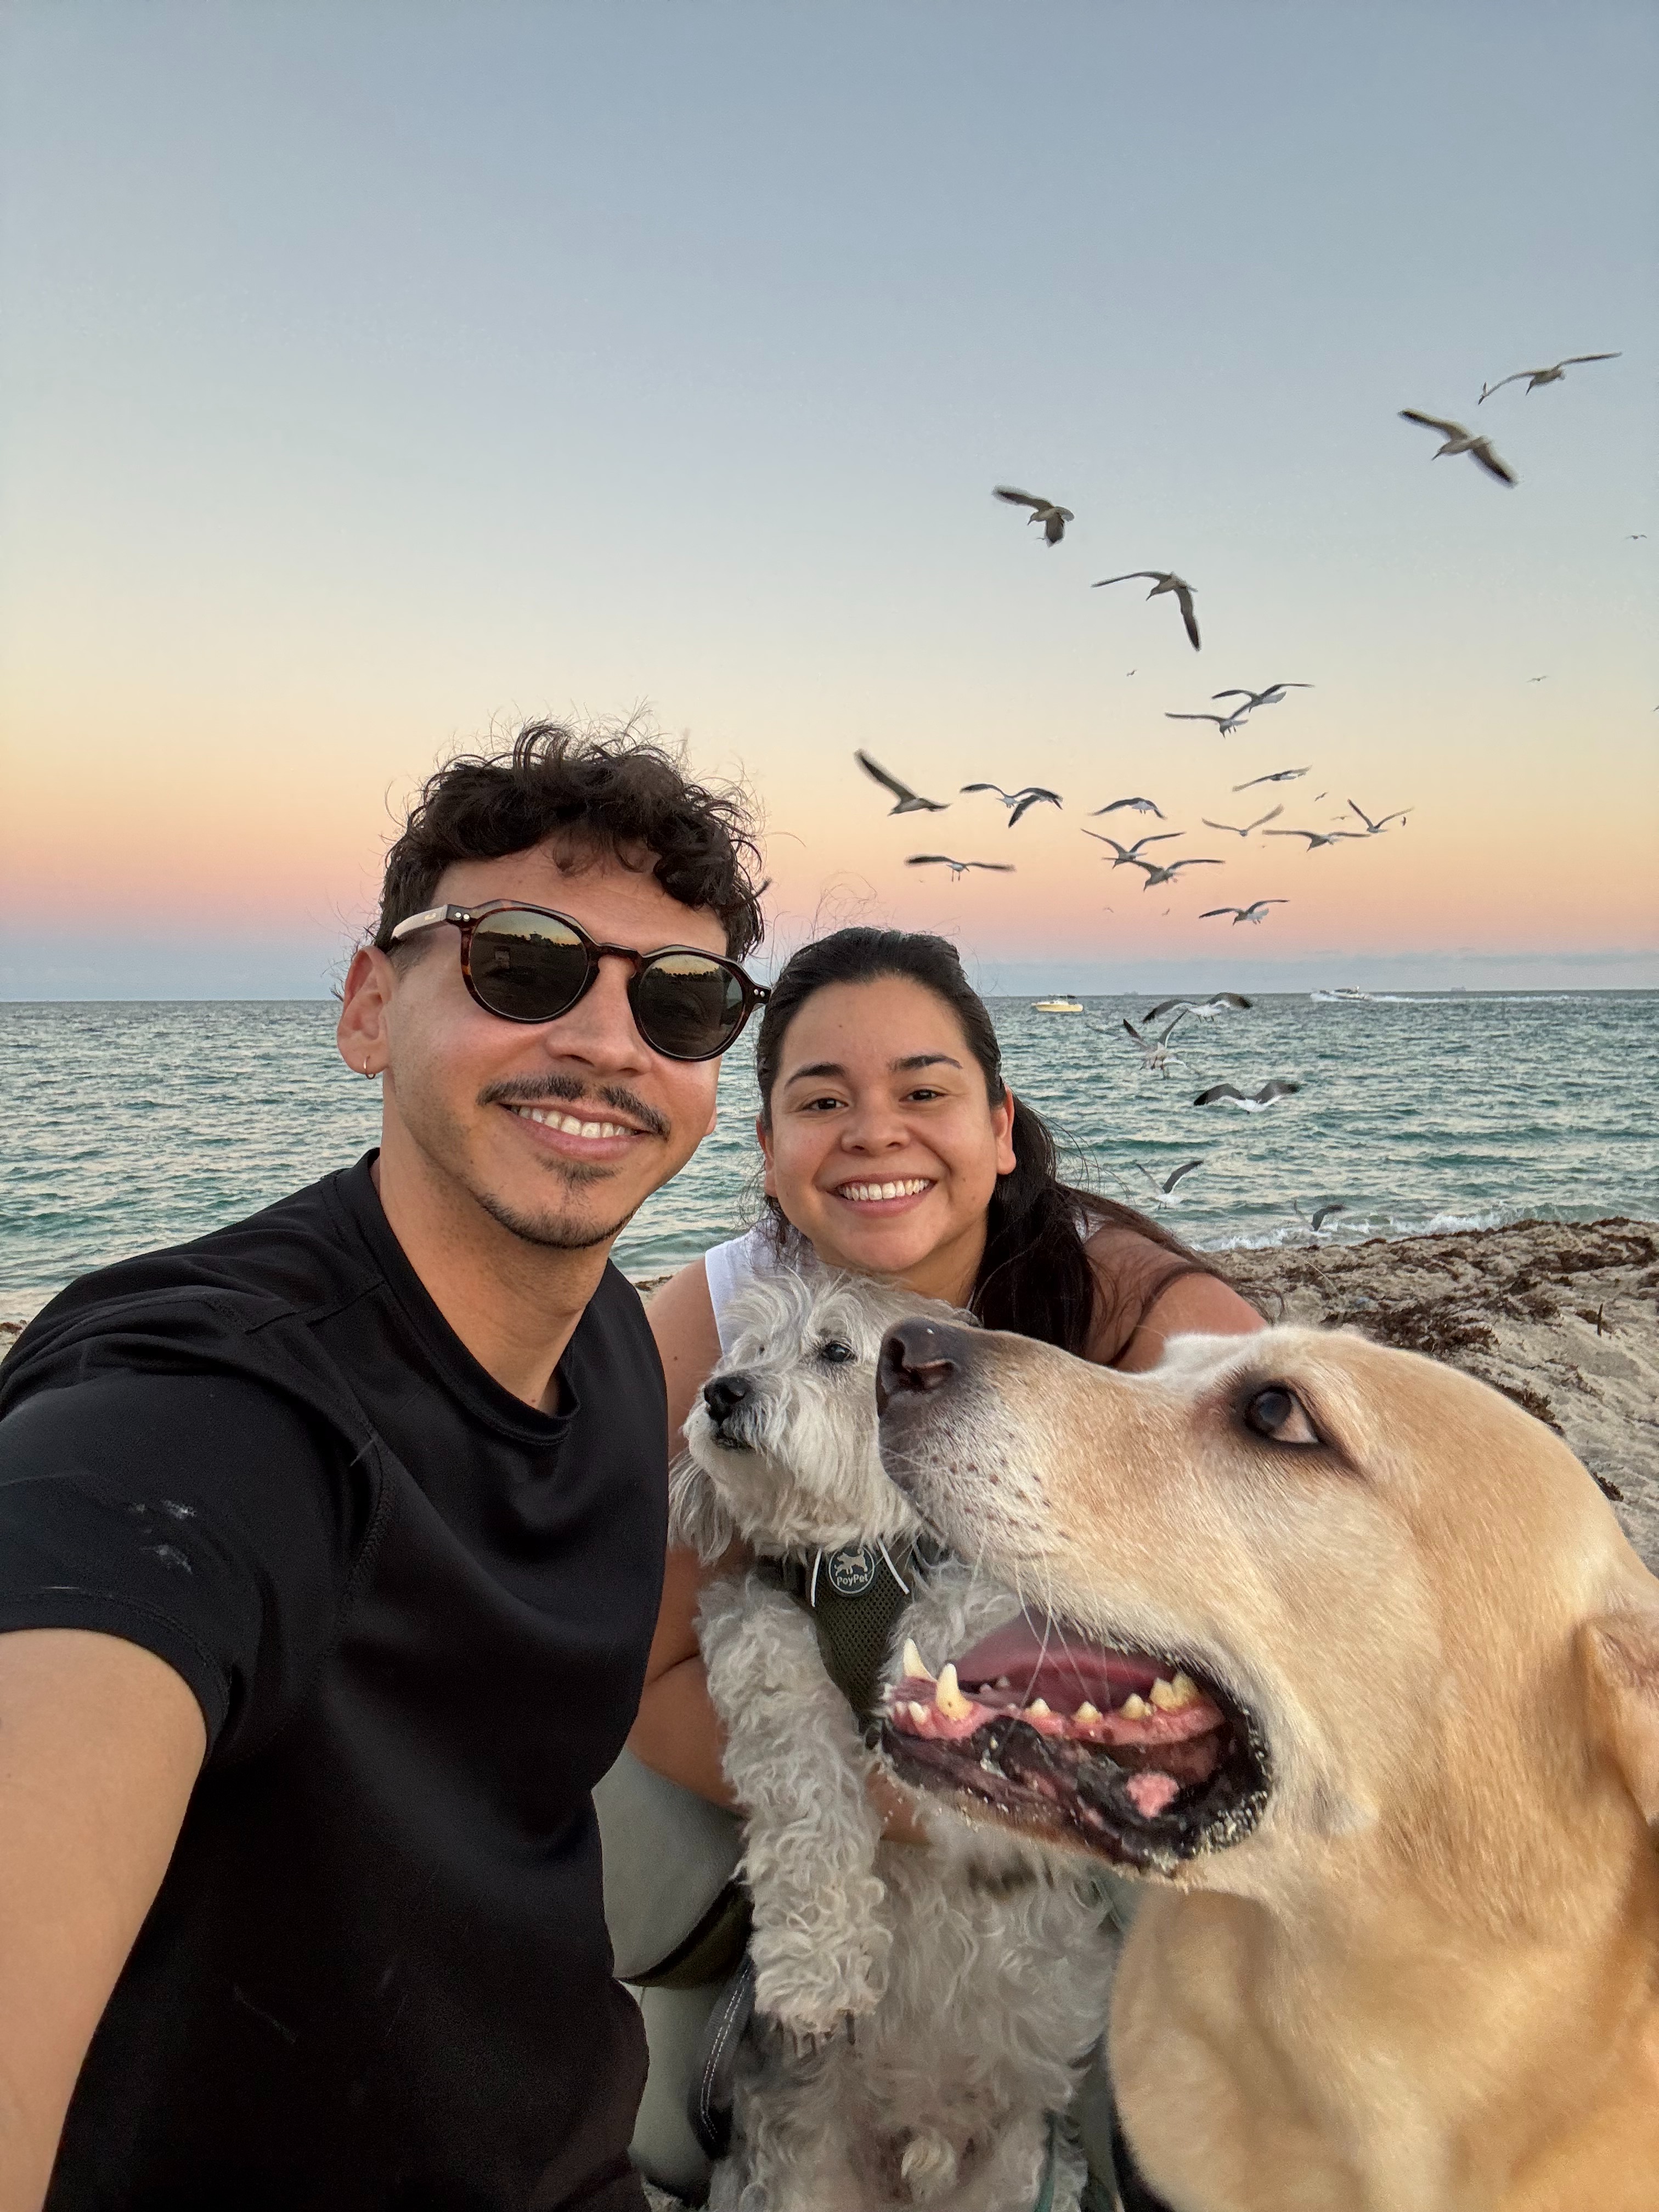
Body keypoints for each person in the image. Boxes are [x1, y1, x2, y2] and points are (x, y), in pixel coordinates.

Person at [0, 722, 768, 2212]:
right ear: (368, 1007)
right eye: (523, 965)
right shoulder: (206, 1409)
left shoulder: (615, 1353)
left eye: (681, 1001)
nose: (611, 1044)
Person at [632, 926, 1265, 1819]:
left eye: (923, 1092)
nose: (874, 1134)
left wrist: (1033, 1828)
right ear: (770, 1153)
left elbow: (1301, 1640)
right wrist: (928, 1819)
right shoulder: (718, 1318)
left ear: (1000, 1127)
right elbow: (652, 1679)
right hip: (872, 1805)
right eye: (822, 1102)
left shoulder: (1142, 1317)